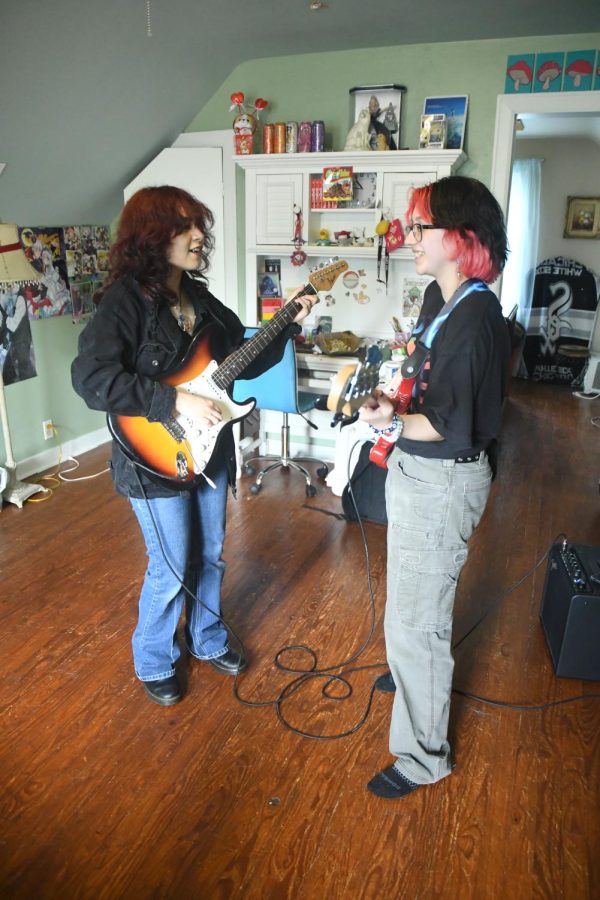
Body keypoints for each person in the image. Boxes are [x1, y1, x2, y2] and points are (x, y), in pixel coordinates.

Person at [71, 185, 316, 707]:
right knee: (171, 565)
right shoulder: (125, 301)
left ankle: (205, 638)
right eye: (185, 226)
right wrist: (172, 402)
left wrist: (288, 323)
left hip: (209, 452)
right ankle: (154, 657)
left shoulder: (198, 298)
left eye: (199, 225)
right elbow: (90, 377)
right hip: (151, 458)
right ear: (153, 237)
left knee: (209, 553)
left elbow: (241, 359)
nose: (199, 236)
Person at [359, 175, 510, 799]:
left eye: (422, 227)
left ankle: (423, 757)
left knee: (421, 624)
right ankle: (406, 669)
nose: (409, 237)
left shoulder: (477, 321)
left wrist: (389, 420)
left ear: (463, 238)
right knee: (409, 602)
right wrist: (389, 401)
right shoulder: (435, 296)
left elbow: (448, 425)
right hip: (415, 469)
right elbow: (423, 381)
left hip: (442, 477)